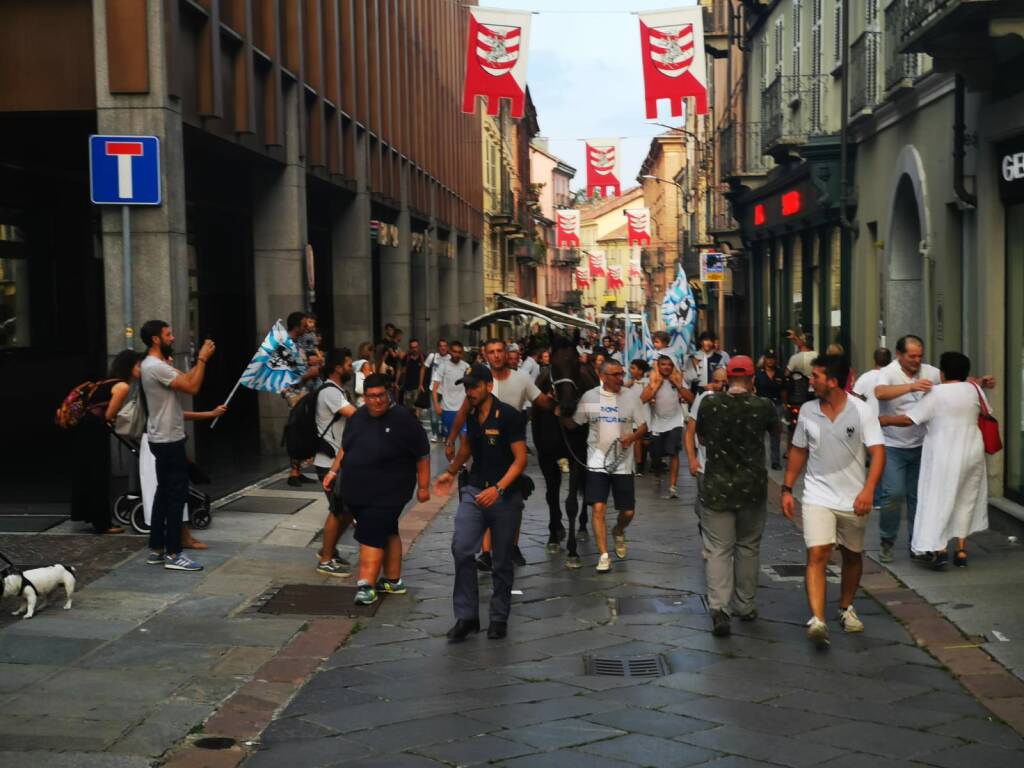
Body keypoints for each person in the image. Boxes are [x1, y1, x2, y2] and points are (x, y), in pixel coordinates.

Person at [781, 355, 886, 648]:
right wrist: (787, 488)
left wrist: (868, 491)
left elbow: (878, 452)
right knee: (817, 553)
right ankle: (818, 620)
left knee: (852, 555)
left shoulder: (861, 411)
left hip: (853, 498)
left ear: (833, 382)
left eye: (815, 376)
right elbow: (798, 450)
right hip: (817, 494)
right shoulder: (807, 410)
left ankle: (845, 607)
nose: (810, 380)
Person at [435, 364, 528, 641]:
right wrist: (450, 472)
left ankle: (499, 617)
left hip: (505, 495)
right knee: (462, 548)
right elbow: (468, 448)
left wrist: (499, 489)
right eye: (467, 387)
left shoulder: (509, 416)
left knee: (501, 560)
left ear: (488, 386)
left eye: (474, 386)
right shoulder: (473, 416)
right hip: (474, 491)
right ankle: (467, 617)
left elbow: (521, 459)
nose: (470, 392)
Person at [446, 338, 554, 569]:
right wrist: (451, 439)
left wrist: (558, 399)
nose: (496, 355)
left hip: (511, 447)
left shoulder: (521, 378)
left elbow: (541, 401)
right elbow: (463, 413)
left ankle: (511, 546)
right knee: (483, 496)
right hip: (483, 446)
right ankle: (486, 551)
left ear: (507, 354)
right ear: (486, 355)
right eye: (491, 352)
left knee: (513, 500)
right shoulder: (478, 382)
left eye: (499, 351)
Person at [323, 374, 430, 605]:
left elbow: (422, 454)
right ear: (365, 397)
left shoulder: (403, 418)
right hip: (359, 489)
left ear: (389, 393)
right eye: (372, 397)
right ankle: (392, 580)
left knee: (371, 532)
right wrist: (332, 472)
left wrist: (423, 486)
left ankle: (366, 585)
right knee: (387, 530)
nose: (377, 401)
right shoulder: (358, 416)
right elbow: (345, 447)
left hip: (390, 489)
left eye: (381, 395)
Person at [880, 352, 992, 568]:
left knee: (939, 497)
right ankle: (961, 551)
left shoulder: (936, 393)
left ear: (942, 372)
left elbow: (909, 419)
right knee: (965, 497)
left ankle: (939, 548)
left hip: (944, 450)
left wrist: (884, 420)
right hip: (972, 449)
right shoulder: (974, 390)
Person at [695, 355, 781, 636]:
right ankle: (745, 605)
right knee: (748, 546)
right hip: (752, 489)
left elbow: (703, 437)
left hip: (717, 487)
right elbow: (775, 431)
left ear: (728, 379)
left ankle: (720, 608)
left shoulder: (710, 404)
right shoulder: (763, 406)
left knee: (718, 549)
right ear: (752, 380)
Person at [139, 320, 216, 572]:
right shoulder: (154, 366)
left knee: (164, 493)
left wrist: (197, 363)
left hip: (163, 437)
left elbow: (186, 380)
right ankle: (174, 553)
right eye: (168, 334)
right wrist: (202, 359)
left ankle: (157, 548)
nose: (173, 338)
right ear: (156, 340)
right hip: (168, 439)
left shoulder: (156, 365)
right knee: (175, 496)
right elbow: (193, 387)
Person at [569, 360, 648, 573]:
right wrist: (557, 412)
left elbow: (643, 426)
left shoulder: (630, 397)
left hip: (622, 463)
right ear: (602, 376)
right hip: (596, 461)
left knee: (628, 511)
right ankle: (603, 555)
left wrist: (631, 437)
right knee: (598, 508)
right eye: (615, 374)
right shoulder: (590, 397)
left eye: (621, 374)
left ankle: (618, 530)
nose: (620, 379)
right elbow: (576, 422)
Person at [873, 335, 941, 563]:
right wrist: (911, 386)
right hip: (893, 445)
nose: (916, 360)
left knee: (918, 498)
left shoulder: (930, 372)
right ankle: (887, 541)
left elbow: (952, 381)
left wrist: (979, 382)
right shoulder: (889, 372)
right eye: (911, 356)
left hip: (923, 446)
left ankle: (917, 544)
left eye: (920, 356)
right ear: (899, 354)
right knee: (893, 494)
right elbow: (880, 393)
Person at [69, 350, 143, 535]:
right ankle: (103, 524)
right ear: (129, 367)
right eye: (138, 365)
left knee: (89, 472)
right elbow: (109, 415)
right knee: (99, 473)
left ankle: (94, 517)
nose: (141, 369)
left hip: (85, 429)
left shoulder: (106, 382)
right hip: (94, 430)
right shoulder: (122, 387)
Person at [313, 348, 358, 577]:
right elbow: (356, 415)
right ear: (338, 367)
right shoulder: (330, 393)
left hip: (339, 461)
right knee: (337, 511)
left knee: (348, 511)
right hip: (329, 463)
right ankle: (325, 559)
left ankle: (327, 549)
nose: (351, 368)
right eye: (349, 364)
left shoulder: (338, 390)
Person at [641, 354, 694, 499]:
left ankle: (672, 487)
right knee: (656, 456)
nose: (666, 367)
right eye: (663, 364)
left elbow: (690, 398)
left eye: (669, 365)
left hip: (675, 422)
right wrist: (655, 388)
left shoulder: (678, 379)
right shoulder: (652, 380)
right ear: (658, 366)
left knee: (673, 452)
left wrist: (677, 385)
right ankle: (657, 475)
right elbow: (643, 399)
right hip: (657, 424)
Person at [754, 348, 786, 470]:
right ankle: (758, 461)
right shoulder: (758, 373)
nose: (770, 361)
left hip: (776, 406)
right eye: (768, 358)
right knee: (759, 435)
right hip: (761, 405)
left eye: (772, 359)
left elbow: (783, 391)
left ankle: (775, 461)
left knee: (775, 435)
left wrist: (784, 406)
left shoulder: (780, 373)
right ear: (765, 359)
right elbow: (754, 389)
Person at [432, 340, 470, 442]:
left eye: (459, 352)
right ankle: (452, 458)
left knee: (464, 440)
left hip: (463, 410)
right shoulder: (443, 366)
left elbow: (470, 388)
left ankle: (460, 458)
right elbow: (434, 388)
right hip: (447, 410)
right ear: (450, 351)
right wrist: (436, 405)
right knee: (449, 441)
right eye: (454, 351)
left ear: (462, 353)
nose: (456, 354)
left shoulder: (466, 367)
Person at [851, 347, 893, 416]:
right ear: (890, 360)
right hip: (892, 422)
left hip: (871, 421)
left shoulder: (865, 377)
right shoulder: (895, 377)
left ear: (874, 359)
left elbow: (855, 400)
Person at [424, 339, 449, 441]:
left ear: (447, 347)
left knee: (445, 413)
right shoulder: (432, 356)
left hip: (446, 391)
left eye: (445, 346)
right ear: (438, 347)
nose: (443, 348)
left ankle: (444, 434)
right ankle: (434, 433)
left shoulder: (450, 358)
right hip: (433, 389)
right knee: (434, 413)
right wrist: (421, 383)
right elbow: (423, 368)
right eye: (441, 346)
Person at [397, 338, 426, 418]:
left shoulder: (423, 358)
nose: (414, 349)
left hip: (418, 388)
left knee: (418, 411)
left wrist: (422, 385)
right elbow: (401, 370)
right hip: (408, 388)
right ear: (410, 348)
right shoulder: (406, 358)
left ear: (419, 347)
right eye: (412, 347)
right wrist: (398, 383)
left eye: (416, 347)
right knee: (408, 410)